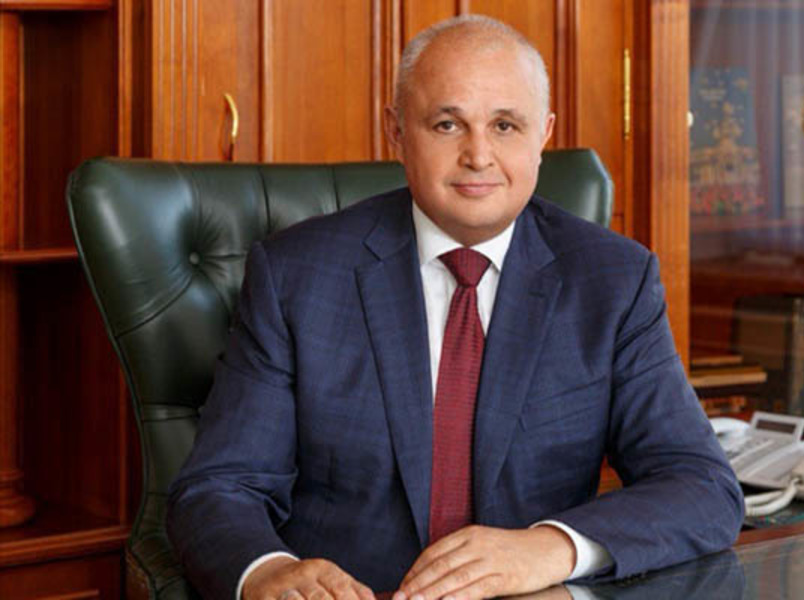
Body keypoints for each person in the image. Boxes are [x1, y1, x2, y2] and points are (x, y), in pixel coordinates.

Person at [167, 14, 744, 600]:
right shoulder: (295, 275)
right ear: (396, 131)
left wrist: (550, 548)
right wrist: (267, 572)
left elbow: (702, 487)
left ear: (543, 135)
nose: (478, 155)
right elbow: (220, 487)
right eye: (447, 125)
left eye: (505, 126)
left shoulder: (613, 281)